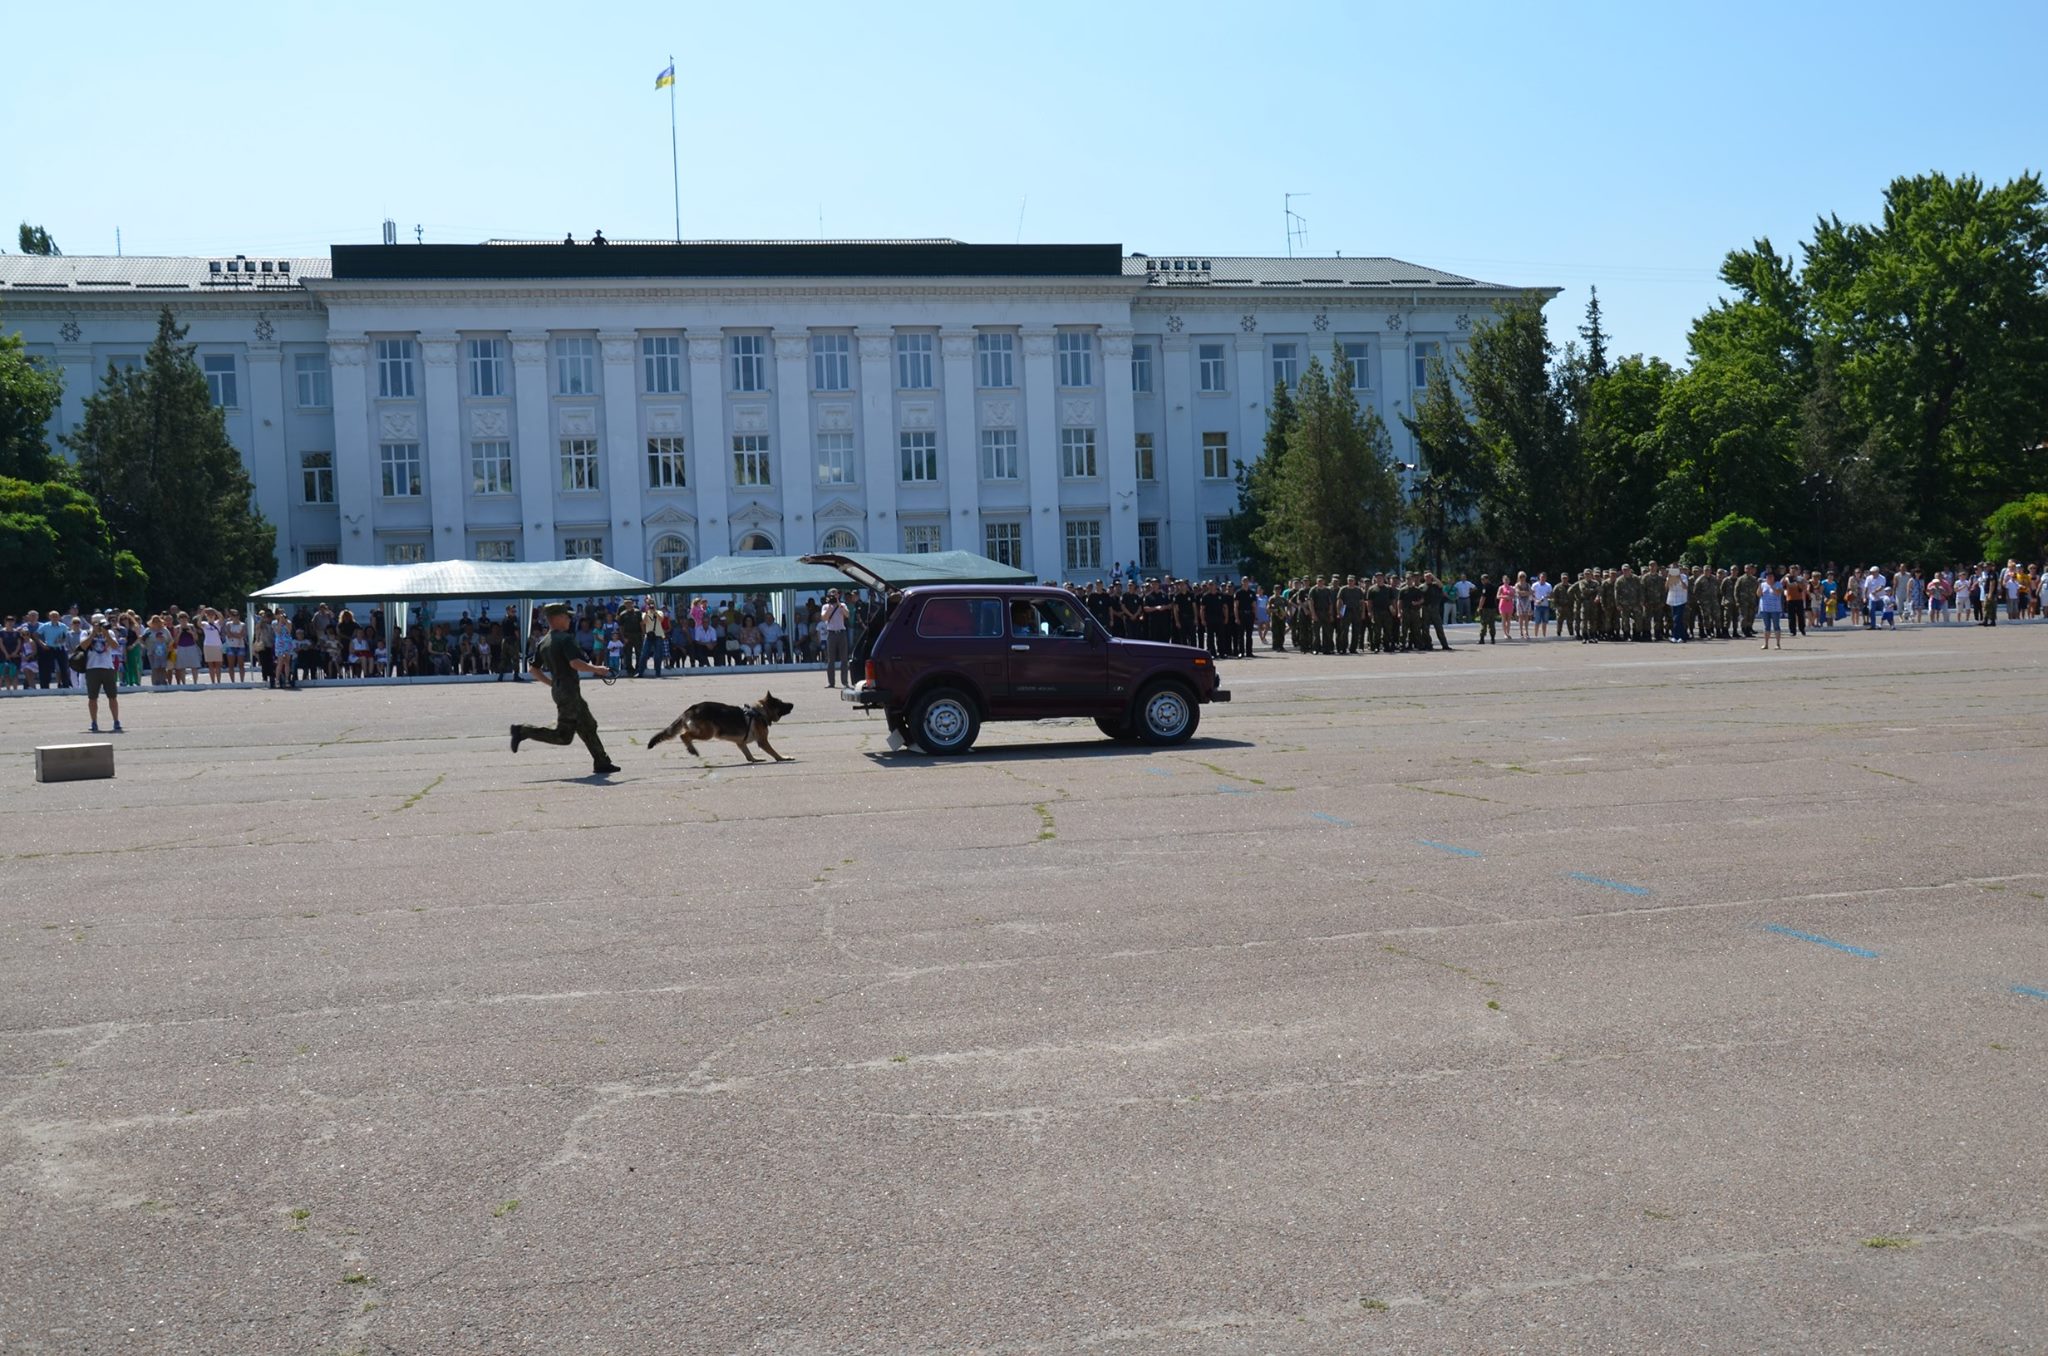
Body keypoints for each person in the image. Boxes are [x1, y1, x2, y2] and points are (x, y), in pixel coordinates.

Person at [511, 602, 619, 775]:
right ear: (557, 618)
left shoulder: (544, 642)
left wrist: (552, 684)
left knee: (588, 725)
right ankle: (523, 731)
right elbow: (575, 663)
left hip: (562, 690)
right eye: (566, 616)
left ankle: (602, 761)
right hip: (568, 692)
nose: (569, 619)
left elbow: (533, 669)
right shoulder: (565, 639)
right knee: (564, 736)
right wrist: (597, 669)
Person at [78, 614, 124, 733]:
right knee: (92, 697)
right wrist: (93, 633)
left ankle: (116, 721)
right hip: (92, 668)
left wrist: (106, 633)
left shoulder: (110, 632)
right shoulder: (85, 632)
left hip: (108, 667)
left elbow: (115, 646)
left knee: (112, 697)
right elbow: (83, 646)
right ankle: (94, 722)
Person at [1757, 568, 1785, 650]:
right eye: (1768, 577)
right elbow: (1758, 594)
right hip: (1765, 609)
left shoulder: (1778, 584)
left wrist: (1771, 586)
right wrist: (1759, 585)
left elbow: (1778, 593)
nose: (1769, 578)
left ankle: (1778, 644)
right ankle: (1766, 644)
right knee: (1766, 627)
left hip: (1775, 609)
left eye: (1771, 576)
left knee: (1776, 626)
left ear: (1774, 577)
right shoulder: (1763, 585)